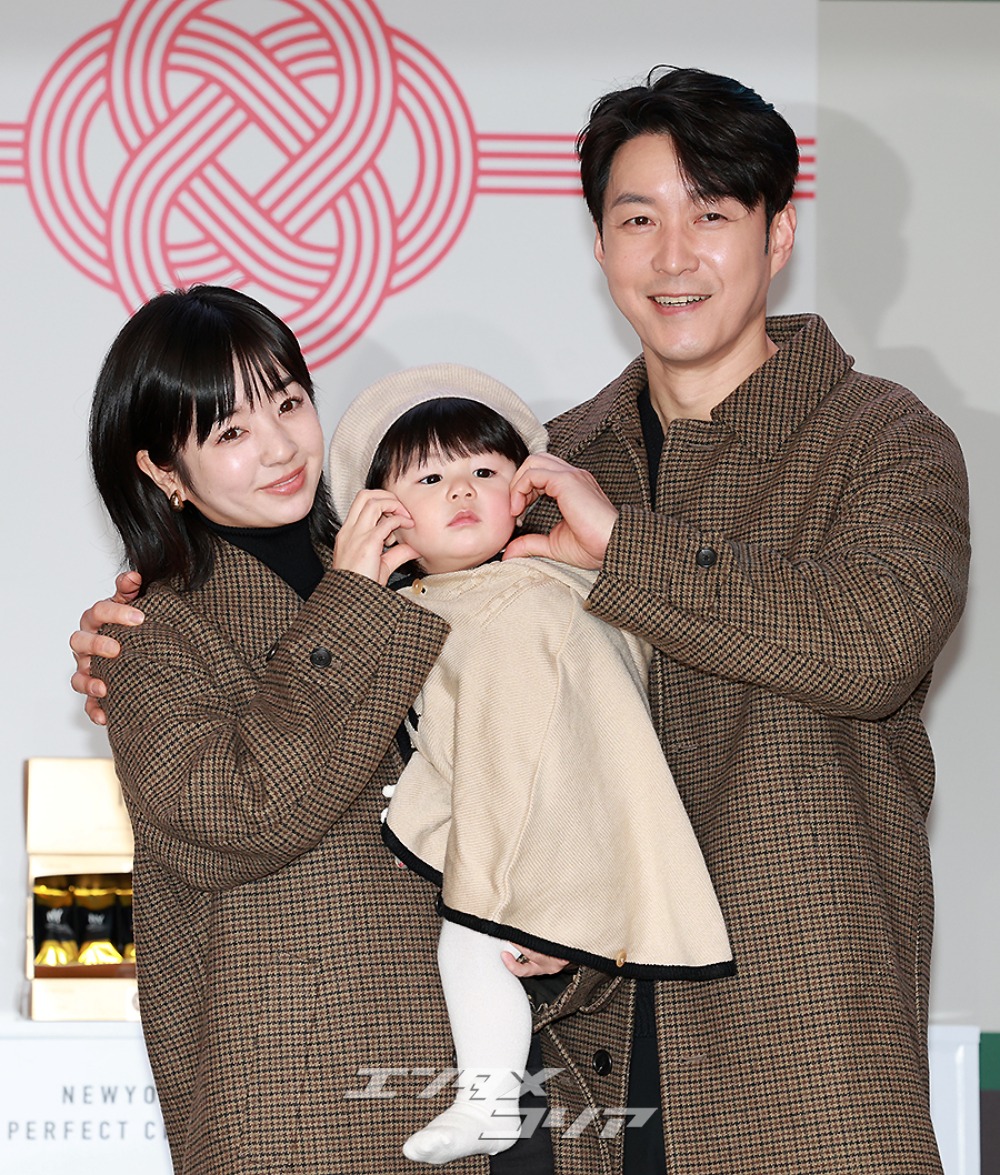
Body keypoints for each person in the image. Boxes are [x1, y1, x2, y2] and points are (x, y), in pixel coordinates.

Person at [72, 65, 971, 1174]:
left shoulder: (879, 437)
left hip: (797, 1032)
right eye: (637, 219)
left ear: (777, 233)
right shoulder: (537, 464)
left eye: (710, 214)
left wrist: (624, 548)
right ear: (598, 248)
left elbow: (874, 644)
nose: (673, 255)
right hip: (572, 1052)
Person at [79, 285, 559, 1175]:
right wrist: (350, 604)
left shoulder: (424, 561)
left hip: (488, 1071)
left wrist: (556, 910)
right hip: (297, 1100)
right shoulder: (149, 634)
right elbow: (240, 813)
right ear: (163, 470)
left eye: (290, 403)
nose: (280, 446)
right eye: (231, 431)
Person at [325, 364, 733, 1165]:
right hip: (493, 819)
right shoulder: (405, 614)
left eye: (485, 470)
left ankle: (487, 1097)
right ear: (388, 521)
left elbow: (589, 720)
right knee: (467, 943)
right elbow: (447, 736)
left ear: (523, 491)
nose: (461, 489)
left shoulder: (553, 585)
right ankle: (488, 1098)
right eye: (430, 478)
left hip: (567, 818)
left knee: (475, 932)